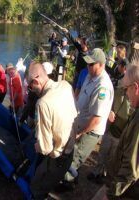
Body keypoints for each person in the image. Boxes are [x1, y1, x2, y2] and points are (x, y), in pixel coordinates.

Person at [61, 48, 114, 190]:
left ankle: (67, 184)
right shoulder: (90, 76)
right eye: (87, 64)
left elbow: (97, 118)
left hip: (90, 131)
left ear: (101, 65)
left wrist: (80, 133)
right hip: (79, 124)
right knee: (68, 154)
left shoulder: (103, 86)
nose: (88, 66)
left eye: (91, 64)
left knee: (74, 159)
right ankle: (70, 179)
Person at [27, 62, 77, 199]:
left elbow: (45, 148)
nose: (31, 90)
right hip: (71, 148)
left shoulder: (43, 103)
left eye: (30, 86)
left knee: (36, 187)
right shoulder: (66, 85)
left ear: (36, 81)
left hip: (58, 157)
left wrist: (37, 146)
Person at [87, 58, 132, 184]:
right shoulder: (118, 91)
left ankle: (104, 175)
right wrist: (110, 111)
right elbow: (108, 103)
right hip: (110, 128)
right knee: (103, 152)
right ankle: (96, 171)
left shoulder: (134, 100)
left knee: (113, 157)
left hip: (121, 134)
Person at [105, 62, 139, 199]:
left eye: (126, 89)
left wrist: (111, 194)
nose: (125, 93)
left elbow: (130, 170)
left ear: (136, 87)